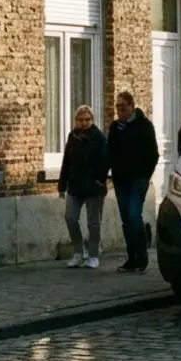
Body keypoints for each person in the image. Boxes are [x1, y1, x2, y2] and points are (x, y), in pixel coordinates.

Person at [106, 91, 159, 274]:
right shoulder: (115, 127)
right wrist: (106, 173)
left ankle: (141, 258)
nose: (120, 111)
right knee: (126, 219)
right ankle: (131, 257)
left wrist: (145, 176)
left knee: (134, 215)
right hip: (121, 179)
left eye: (123, 107)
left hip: (138, 179)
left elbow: (153, 154)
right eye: (117, 107)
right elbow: (109, 152)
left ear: (131, 106)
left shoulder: (144, 126)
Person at [58, 105, 107, 269]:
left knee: (93, 222)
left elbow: (104, 161)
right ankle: (78, 251)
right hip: (75, 184)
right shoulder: (72, 137)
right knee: (70, 218)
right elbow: (67, 161)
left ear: (92, 120)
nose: (84, 123)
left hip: (93, 186)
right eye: (81, 120)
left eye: (87, 120)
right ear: (75, 121)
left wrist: (99, 180)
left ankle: (93, 254)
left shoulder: (98, 137)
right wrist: (62, 185)